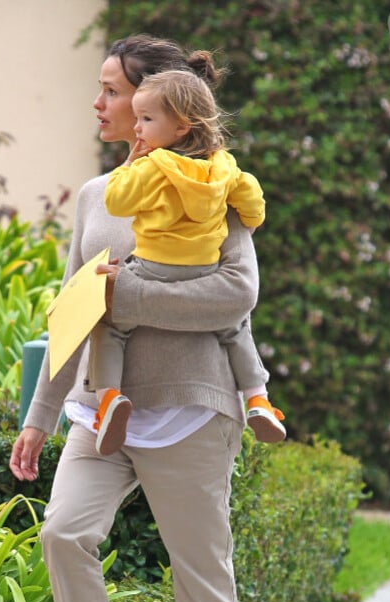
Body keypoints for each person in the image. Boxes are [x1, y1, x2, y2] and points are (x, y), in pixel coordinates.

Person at [10, 34, 262, 602]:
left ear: (161, 106)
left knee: (199, 567)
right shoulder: (97, 196)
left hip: (190, 407)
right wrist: (40, 414)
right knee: (64, 532)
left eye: (113, 91)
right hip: (102, 406)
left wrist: (130, 295)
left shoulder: (213, 184)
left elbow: (235, 295)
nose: (99, 103)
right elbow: (75, 309)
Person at [89, 68, 285, 456]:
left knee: (108, 324)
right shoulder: (224, 167)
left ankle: (108, 398)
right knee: (235, 327)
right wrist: (248, 220)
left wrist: (129, 165)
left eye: (146, 119)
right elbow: (254, 205)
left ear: (181, 126)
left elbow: (116, 202)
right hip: (203, 268)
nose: (138, 128)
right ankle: (258, 398)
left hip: (152, 268)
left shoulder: (151, 167)